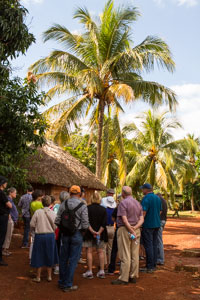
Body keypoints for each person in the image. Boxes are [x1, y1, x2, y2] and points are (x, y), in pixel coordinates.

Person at [55, 185, 89, 292]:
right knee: (73, 260)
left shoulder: (63, 204)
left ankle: (61, 282)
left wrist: (64, 230)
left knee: (63, 258)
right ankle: (68, 284)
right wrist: (82, 233)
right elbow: (85, 224)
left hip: (65, 235)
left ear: (70, 193)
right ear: (79, 194)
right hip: (77, 235)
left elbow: (57, 220)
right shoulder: (82, 206)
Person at [111, 186, 144, 285]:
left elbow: (124, 219)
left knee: (125, 253)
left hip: (125, 230)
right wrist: (135, 228)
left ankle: (123, 278)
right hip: (136, 230)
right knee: (134, 253)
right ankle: (133, 276)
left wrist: (130, 229)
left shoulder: (123, 203)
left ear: (123, 193)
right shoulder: (138, 203)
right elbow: (142, 219)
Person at [30, 195, 58, 283]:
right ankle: (49, 276)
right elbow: (56, 226)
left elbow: (32, 224)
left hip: (39, 236)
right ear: (50, 203)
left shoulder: (38, 212)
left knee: (39, 254)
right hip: (50, 236)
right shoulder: (53, 213)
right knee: (49, 254)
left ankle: (38, 277)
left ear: (42, 203)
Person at [83, 191, 108, 279]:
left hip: (89, 233)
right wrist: (98, 232)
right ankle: (101, 271)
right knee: (100, 251)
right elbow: (104, 223)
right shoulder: (103, 209)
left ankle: (89, 271)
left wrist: (92, 231)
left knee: (89, 251)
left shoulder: (87, 208)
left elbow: (86, 222)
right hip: (100, 234)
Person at [140, 183, 162, 273]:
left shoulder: (146, 198)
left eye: (143, 189)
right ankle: (153, 265)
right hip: (156, 224)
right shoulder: (157, 198)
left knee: (148, 245)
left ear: (146, 189)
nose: (142, 191)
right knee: (154, 244)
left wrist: (140, 223)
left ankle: (149, 267)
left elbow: (143, 212)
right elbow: (160, 211)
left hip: (148, 225)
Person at [101, 188, 116, 265]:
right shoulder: (114, 207)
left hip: (105, 228)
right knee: (110, 247)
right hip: (112, 228)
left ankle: (104, 264)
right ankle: (110, 263)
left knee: (103, 248)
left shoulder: (103, 208)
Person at [107, 194, 122, 275]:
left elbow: (113, 218)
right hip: (130, 230)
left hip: (119, 229)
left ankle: (111, 269)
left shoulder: (118, 207)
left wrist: (117, 220)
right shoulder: (134, 205)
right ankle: (124, 269)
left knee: (114, 249)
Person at [0, 176, 12, 266]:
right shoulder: (1, 193)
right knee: (1, 238)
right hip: (2, 217)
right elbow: (9, 205)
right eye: (5, 182)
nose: (6, 184)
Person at [3, 187, 18, 256]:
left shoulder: (10, 200)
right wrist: (9, 215)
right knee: (8, 235)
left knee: (9, 234)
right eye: (15, 193)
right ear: (11, 193)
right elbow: (4, 208)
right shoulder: (7, 199)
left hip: (11, 219)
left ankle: (5, 249)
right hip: (9, 220)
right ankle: (4, 249)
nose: (16, 194)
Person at [29, 189, 43, 260]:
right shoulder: (39, 204)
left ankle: (31, 256)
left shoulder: (32, 203)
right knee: (40, 241)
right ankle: (38, 257)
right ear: (38, 196)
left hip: (32, 222)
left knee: (33, 241)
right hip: (39, 224)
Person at [156, 193, 168, 266]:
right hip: (163, 220)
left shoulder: (159, 200)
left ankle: (160, 259)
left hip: (159, 221)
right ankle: (159, 258)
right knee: (159, 239)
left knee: (159, 240)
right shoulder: (164, 201)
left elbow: (159, 212)